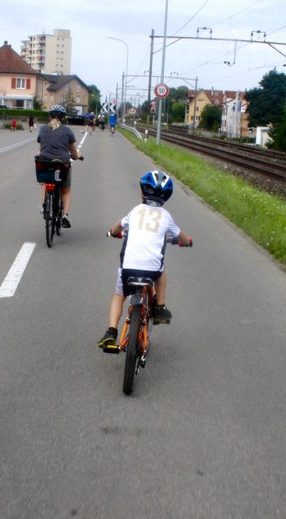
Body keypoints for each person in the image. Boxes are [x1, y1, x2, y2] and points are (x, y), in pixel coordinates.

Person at [98, 171, 192, 351]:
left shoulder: (136, 210)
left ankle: (111, 332)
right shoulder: (166, 216)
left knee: (119, 295)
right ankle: (160, 308)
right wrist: (187, 242)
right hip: (152, 271)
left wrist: (113, 232)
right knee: (161, 270)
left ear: (142, 192)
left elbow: (118, 226)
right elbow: (181, 236)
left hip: (128, 269)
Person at [36, 104, 83, 227]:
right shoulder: (67, 131)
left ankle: (43, 206)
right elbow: (73, 151)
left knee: (46, 182)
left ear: (49, 116)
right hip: (62, 163)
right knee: (66, 191)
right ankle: (65, 215)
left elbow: (41, 148)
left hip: (45, 162)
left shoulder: (43, 129)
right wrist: (78, 155)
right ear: (63, 118)